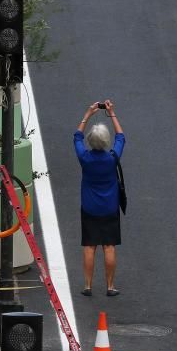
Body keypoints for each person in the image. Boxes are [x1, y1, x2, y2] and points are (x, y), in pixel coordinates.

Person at [74, 99, 125, 296]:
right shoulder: (113, 158)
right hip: (110, 206)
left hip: (89, 206)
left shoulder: (84, 158)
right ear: (105, 141)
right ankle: (110, 286)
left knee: (89, 246)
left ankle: (88, 285)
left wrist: (88, 114)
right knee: (109, 246)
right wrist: (111, 113)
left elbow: (77, 137)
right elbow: (121, 136)